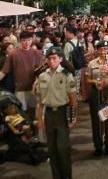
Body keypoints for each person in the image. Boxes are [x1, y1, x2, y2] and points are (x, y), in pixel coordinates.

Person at [35, 47, 77, 179]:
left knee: (63, 148)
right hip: (48, 114)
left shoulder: (66, 75)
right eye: (49, 58)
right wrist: (40, 120)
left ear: (60, 59)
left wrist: (72, 117)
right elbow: (40, 102)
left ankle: (66, 176)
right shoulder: (42, 76)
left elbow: (73, 99)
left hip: (62, 113)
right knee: (52, 149)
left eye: (54, 58)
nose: (51, 61)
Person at [0, 31, 44, 115]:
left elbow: (40, 72)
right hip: (19, 88)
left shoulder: (37, 53)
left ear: (32, 40)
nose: (27, 42)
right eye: (24, 40)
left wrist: (36, 84)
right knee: (21, 112)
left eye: (29, 40)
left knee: (34, 110)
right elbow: (4, 71)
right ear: (20, 41)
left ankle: (34, 127)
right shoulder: (13, 54)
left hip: (34, 88)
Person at [85, 40, 108, 155]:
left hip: (107, 93)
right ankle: (97, 145)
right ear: (97, 50)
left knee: (107, 120)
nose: (104, 51)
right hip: (95, 94)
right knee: (96, 120)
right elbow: (87, 79)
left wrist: (107, 82)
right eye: (102, 49)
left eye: (106, 49)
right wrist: (95, 81)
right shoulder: (92, 63)